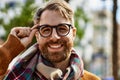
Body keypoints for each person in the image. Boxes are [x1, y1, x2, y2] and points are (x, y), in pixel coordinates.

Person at [0, 0, 101, 80]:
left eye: (62, 29)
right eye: (46, 30)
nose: (54, 37)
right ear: (37, 35)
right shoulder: (14, 75)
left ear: (73, 34)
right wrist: (9, 50)